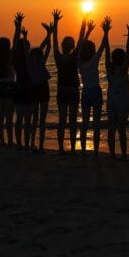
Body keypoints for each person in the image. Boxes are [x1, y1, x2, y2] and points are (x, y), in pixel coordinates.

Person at [53, 9, 87, 154]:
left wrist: (55, 23)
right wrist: (84, 21)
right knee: (72, 121)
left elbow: (54, 40)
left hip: (63, 89)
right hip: (72, 89)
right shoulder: (73, 57)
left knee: (62, 120)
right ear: (72, 46)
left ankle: (62, 148)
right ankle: (72, 149)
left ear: (63, 46)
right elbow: (81, 38)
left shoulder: (58, 56)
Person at [78, 18, 109, 157]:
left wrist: (88, 31)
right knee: (96, 124)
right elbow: (103, 46)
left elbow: (80, 46)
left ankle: (84, 149)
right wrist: (106, 32)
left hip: (85, 91)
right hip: (95, 90)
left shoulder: (79, 62)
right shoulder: (94, 60)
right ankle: (95, 151)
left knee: (84, 123)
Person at [105, 18, 129, 160]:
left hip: (111, 101)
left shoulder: (109, 69)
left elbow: (107, 51)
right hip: (122, 101)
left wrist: (106, 33)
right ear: (122, 59)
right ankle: (123, 154)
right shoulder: (123, 69)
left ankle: (112, 154)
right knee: (121, 130)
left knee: (111, 128)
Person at [0, 14, 16, 146]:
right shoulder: (10, 55)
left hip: (0, 86)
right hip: (10, 86)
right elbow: (16, 39)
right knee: (9, 117)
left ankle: (2, 141)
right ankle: (10, 141)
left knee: (0, 115)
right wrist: (17, 26)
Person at [30, 22, 53, 153]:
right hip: (40, 89)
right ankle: (36, 144)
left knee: (38, 119)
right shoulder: (35, 62)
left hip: (39, 88)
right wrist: (48, 34)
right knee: (39, 119)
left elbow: (45, 48)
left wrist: (48, 34)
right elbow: (45, 47)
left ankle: (37, 144)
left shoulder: (35, 62)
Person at [13, 21, 34, 150]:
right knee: (27, 120)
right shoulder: (29, 60)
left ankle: (20, 143)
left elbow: (16, 45)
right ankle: (26, 143)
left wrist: (18, 28)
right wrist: (24, 37)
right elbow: (25, 53)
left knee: (19, 118)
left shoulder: (15, 59)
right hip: (27, 90)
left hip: (19, 88)